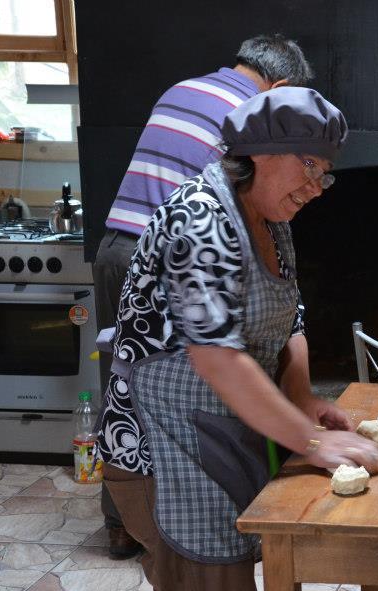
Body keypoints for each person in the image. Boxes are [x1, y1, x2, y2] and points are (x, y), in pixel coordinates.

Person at [97, 87, 378, 591]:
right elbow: (217, 358)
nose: (317, 187)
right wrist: (315, 442)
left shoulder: (270, 221)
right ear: (261, 152)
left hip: (219, 442)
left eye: (325, 172)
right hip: (165, 455)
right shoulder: (200, 219)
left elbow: (288, 315)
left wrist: (300, 399)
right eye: (309, 165)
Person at [92, 34, 314, 559]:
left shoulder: (181, 90)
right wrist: (309, 436)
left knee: (123, 383)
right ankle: (173, 522)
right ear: (279, 89)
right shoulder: (254, 121)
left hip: (117, 246)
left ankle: (126, 525)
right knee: (169, 399)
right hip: (176, 254)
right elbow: (219, 223)